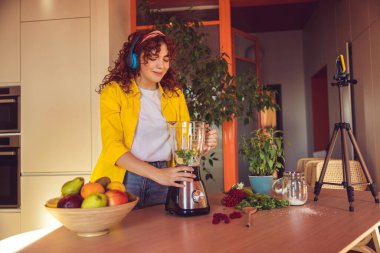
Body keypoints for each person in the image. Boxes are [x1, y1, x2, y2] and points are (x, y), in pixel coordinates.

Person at [90, 30, 217, 209]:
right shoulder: (114, 92)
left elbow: (185, 146)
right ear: (134, 58)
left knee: (164, 234)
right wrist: (158, 174)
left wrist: (201, 146)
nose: (161, 65)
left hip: (167, 176)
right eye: (153, 57)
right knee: (124, 236)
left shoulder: (174, 95)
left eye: (165, 59)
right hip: (126, 178)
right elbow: (112, 147)